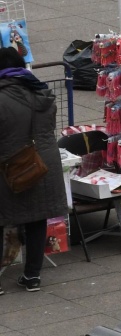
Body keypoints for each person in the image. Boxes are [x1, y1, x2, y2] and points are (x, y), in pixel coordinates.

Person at [0, 46, 64, 294]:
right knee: (37, 219)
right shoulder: (41, 91)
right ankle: (32, 276)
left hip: (11, 166)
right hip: (42, 165)